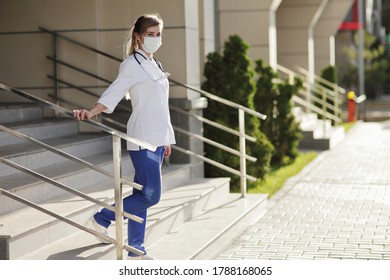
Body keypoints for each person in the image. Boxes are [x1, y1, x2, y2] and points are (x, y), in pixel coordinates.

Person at [73, 13, 175, 260]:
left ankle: (136, 249)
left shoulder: (156, 64)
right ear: (139, 37)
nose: (155, 39)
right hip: (142, 139)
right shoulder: (132, 64)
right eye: (150, 34)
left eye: (158, 34)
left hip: (158, 140)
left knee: (142, 195)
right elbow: (114, 93)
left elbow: (162, 105)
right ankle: (102, 217)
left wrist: (167, 139)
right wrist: (92, 111)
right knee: (151, 196)